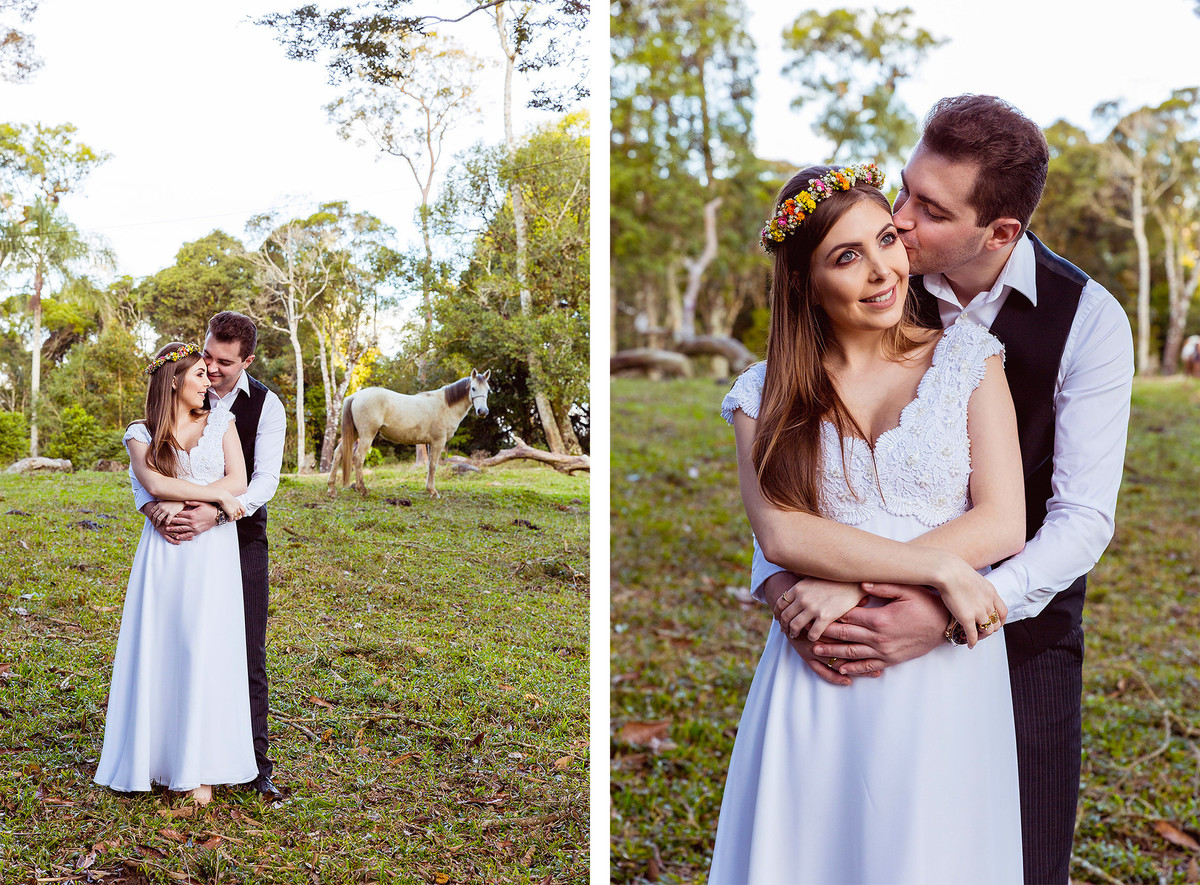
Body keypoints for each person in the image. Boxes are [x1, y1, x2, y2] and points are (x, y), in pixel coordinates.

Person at [756, 96, 1135, 884]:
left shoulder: (1087, 320)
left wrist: (941, 604)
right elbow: (804, 473)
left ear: (999, 233)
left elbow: (1078, 520)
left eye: (927, 210)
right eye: (903, 190)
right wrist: (792, 576)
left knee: (1014, 861)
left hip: (1017, 628)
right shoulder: (879, 283)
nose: (898, 219)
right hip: (834, 645)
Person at [709, 162, 1027, 883]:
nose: (883, 270)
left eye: (887, 239)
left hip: (940, 672)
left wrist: (846, 584)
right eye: (847, 256)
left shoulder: (968, 359)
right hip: (823, 676)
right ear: (802, 281)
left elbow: (1004, 520)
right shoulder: (762, 394)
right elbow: (782, 535)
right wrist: (941, 566)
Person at [133, 311, 287, 801]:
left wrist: (217, 515)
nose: (213, 369)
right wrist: (153, 506)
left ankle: (254, 764)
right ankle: (171, 751)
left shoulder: (266, 406)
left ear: (247, 360)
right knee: (175, 640)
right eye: (207, 357)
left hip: (238, 536)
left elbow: (262, 481)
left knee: (245, 647)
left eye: (224, 362)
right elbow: (148, 468)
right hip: (175, 539)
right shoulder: (173, 397)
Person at [95, 342, 256, 805]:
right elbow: (154, 483)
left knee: (204, 647)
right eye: (201, 375)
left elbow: (238, 483)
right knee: (162, 646)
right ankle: (155, 760)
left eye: (211, 374)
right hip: (165, 554)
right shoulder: (140, 433)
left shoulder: (222, 422)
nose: (211, 382)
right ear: (174, 381)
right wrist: (204, 497)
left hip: (211, 553)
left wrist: (195, 501)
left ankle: (200, 770)